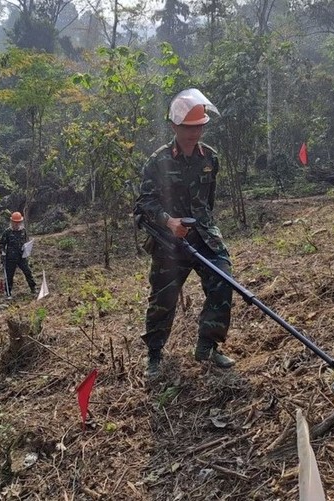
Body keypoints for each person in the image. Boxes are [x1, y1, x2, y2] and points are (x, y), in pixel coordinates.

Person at [134, 88, 235, 378]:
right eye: (188, 128)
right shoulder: (159, 161)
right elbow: (144, 203)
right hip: (169, 242)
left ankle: (207, 346)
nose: (194, 133)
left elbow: (208, 201)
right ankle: (154, 355)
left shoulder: (210, 159)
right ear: (174, 126)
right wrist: (169, 222)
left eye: (199, 127)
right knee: (163, 299)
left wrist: (201, 225)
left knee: (223, 278)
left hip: (204, 235)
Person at [0, 212, 37, 297]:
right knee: (9, 276)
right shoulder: (7, 232)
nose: (16, 224)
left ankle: (33, 288)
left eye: (18, 222)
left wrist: (27, 247)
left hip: (22, 256)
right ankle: (8, 293)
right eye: (15, 222)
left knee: (28, 272)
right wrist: (3, 252)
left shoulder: (23, 231)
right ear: (11, 221)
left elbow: (26, 241)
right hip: (10, 258)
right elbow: (1, 244)